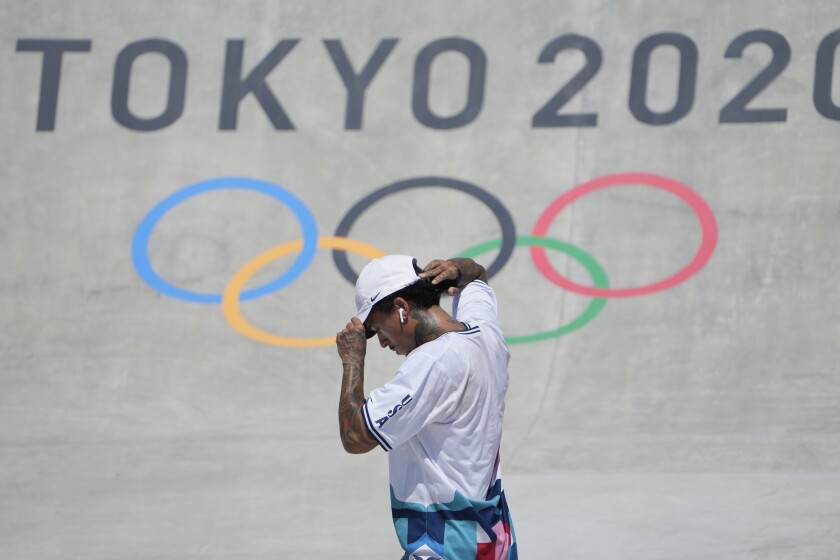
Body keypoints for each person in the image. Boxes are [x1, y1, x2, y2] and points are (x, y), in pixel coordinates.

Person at [336, 255, 517, 560]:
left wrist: (352, 360)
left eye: (378, 328)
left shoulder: (433, 363)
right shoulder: (486, 335)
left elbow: (356, 437)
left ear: (402, 308)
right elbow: (477, 278)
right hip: (492, 541)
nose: (380, 342)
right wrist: (460, 267)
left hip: (444, 546)